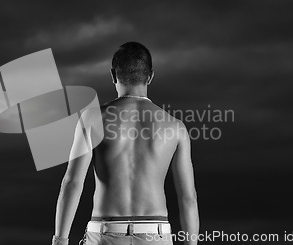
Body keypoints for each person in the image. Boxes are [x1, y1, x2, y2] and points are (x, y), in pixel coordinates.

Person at [52, 42, 199, 245]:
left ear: (113, 75)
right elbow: (188, 198)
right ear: (150, 76)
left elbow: (72, 183)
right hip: (155, 234)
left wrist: (60, 240)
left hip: (105, 233)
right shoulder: (176, 127)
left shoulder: (93, 119)